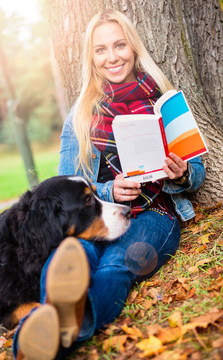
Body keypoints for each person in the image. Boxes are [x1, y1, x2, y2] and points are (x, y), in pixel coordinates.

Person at [13, 9, 205, 360]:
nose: (112, 56)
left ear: (133, 47)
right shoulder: (82, 113)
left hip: (154, 216)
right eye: (101, 50)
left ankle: (53, 339)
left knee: (116, 266)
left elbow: (198, 172)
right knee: (72, 259)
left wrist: (181, 173)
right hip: (98, 215)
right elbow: (65, 183)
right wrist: (108, 191)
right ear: (92, 58)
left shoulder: (164, 99)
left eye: (119, 45)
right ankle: (42, 331)